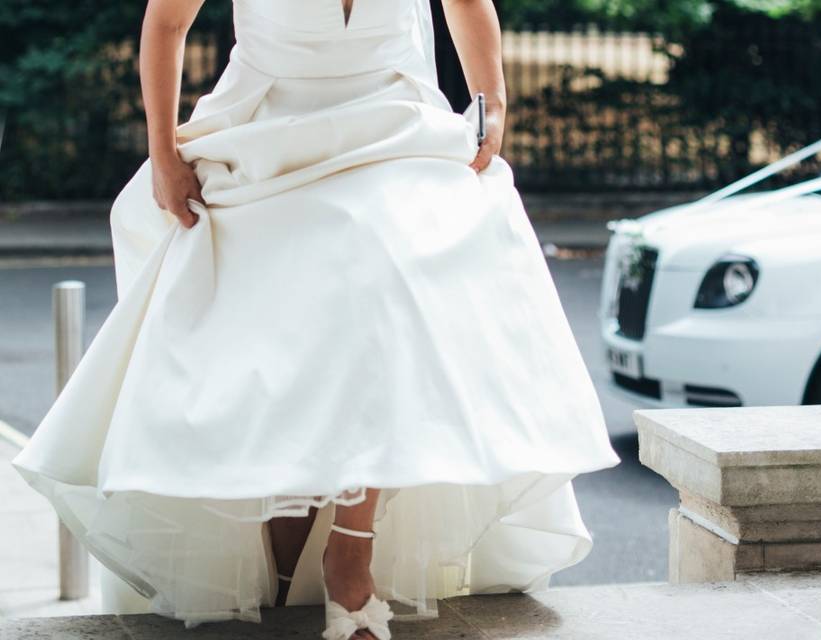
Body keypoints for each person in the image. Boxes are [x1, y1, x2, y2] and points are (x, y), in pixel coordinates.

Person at [12, 0, 621, 638]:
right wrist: (163, 154)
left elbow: (471, 5)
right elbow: (166, 23)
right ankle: (274, 573)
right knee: (283, 373)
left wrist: (491, 105)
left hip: (395, 127)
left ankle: (351, 552)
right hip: (269, 128)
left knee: (383, 288)